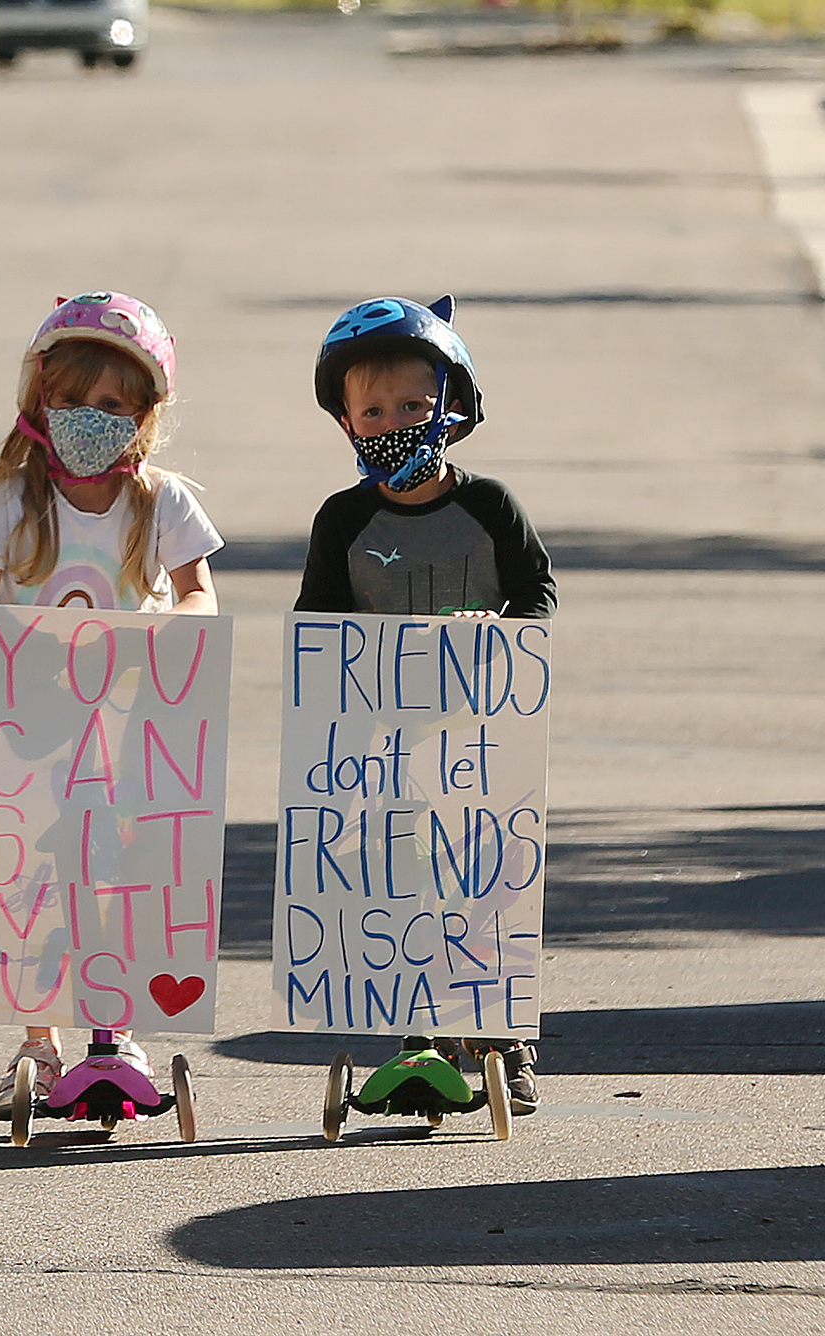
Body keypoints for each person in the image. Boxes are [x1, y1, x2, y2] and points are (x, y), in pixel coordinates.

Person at [0, 292, 222, 1118]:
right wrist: (32, 639)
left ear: (141, 415)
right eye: (69, 403)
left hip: (134, 723)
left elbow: (201, 594)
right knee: (34, 874)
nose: (87, 420)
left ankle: (117, 1027)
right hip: (32, 725)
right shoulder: (12, 504)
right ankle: (37, 1040)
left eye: (109, 406)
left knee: (121, 873)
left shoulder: (160, 503)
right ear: (39, 405)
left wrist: (162, 625)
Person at [294, 294, 554, 1114]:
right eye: (374, 410)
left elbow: (538, 595)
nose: (394, 421)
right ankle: (419, 1037)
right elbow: (317, 622)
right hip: (384, 738)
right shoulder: (343, 520)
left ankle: (503, 1038)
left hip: (482, 734)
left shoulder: (489, 508)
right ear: (347, 423)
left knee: (485, 880)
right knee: (402, 882)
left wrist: (502, 631)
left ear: (451, 408)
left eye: (413, 404)